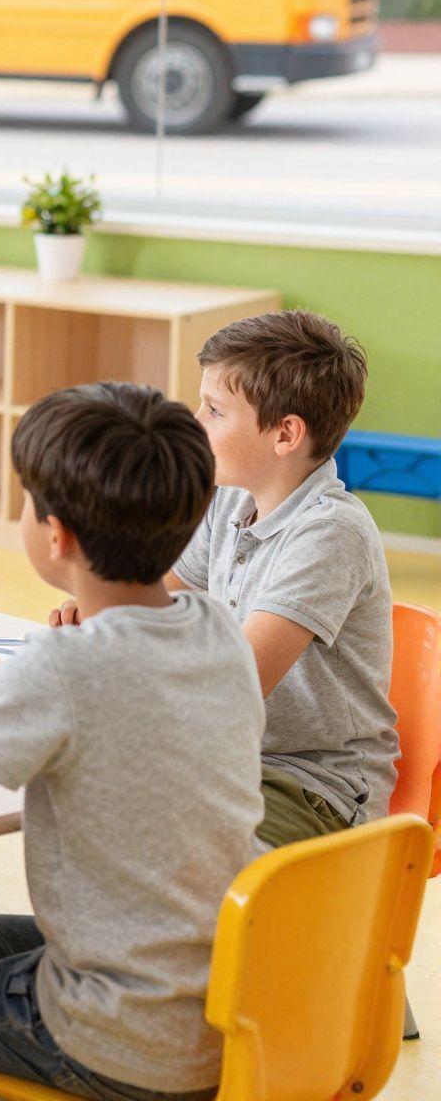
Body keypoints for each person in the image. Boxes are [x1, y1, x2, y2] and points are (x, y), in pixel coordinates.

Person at [0, 383, 263, 1101]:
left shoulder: (61, 664)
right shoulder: (215, 628)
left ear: (57, 537)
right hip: (223, 1004)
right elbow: (106, 712)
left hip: (117, 1035)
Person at [53, 309, 395, 846]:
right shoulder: (231, 499)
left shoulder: (330, 533)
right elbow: (164, 598)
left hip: (310, 787)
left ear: (285, 434)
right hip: (229, 756)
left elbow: (232, 685)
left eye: (214, 410)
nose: (194, 421)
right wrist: (101, 608)